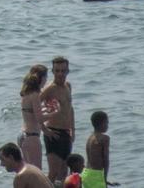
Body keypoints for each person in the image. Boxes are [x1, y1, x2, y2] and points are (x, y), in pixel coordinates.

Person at [40, 56, 75, 184]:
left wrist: (73, 130)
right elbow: (34, 108)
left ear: (67, 71)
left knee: (64, 173)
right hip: (53, 133)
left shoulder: (68, 86)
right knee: (53, 172)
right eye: (57, 71)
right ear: (53, 72)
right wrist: (44, 129)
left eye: (63, 71)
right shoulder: (50, 89)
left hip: (66, 132)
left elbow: (70, 109)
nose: (60, 74)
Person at [83, 110, 111, 188]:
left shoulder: (90, 138)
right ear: (102, 123)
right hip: (96, 174)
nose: (107, 125)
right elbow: (106, 159)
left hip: (86, 173)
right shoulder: (104, 138)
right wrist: (104, 178)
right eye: (107, 123)